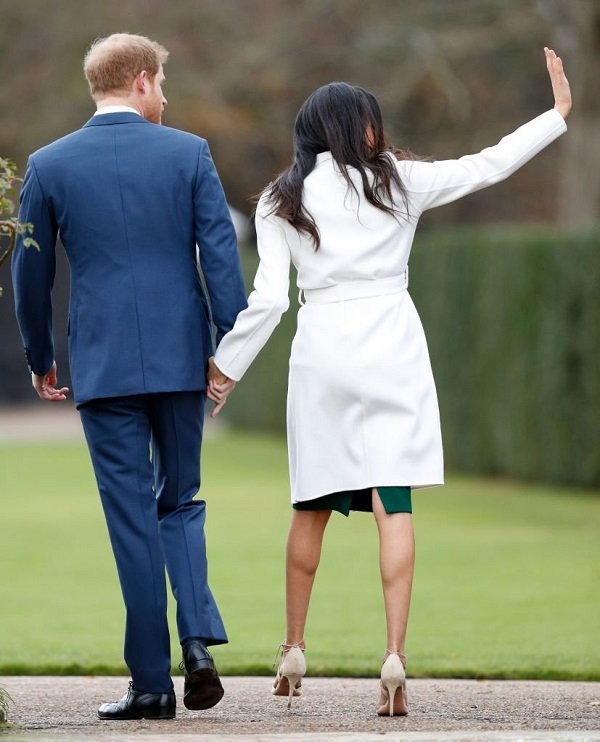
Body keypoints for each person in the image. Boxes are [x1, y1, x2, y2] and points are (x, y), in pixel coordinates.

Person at [207, 48, 572, 715]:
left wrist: (225, 367)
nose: (379, 131)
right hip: (391, 342)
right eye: (371, 121)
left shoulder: (279, 198)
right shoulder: (398, 181)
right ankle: (395, 657)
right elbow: (486, 164)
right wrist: (554, 116)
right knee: (393, 500)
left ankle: (293, 647)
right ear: (355, 127)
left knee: (310, 500)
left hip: (321, 347)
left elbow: (269, 302)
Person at [12, 33, 247, 720]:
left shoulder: (49, 164)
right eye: (163, 84)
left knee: (131, 521)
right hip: (179, 359)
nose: (167, 98)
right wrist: (226, 351)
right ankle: (197, 639)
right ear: (141, 80)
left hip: (105, 366)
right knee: (181, 500)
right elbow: (221, 258)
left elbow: (32, 274)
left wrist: (38, 355)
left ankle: (152, 684)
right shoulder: (190, 153)